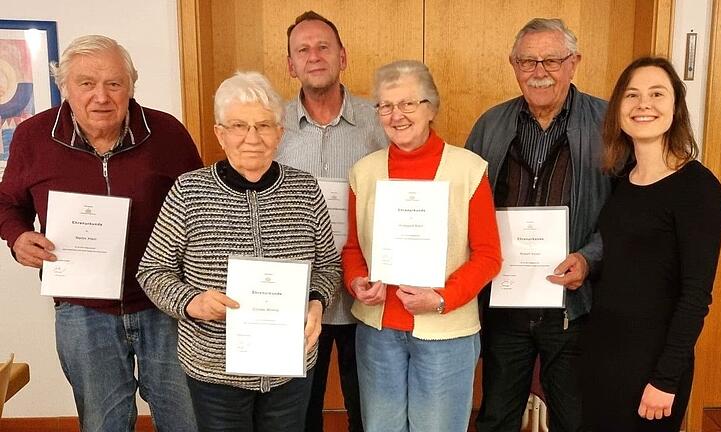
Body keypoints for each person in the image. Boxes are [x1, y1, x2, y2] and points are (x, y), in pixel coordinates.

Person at [0, 35, 200, 431]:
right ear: (65, 88)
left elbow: (200, 206)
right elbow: (7, 204)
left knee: (186, 420)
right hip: (81, 310)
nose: (101, 96)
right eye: (86, 83)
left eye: (114, 83)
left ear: (131, 86)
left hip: (163, 304)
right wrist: (18, 237)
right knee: (103, 423)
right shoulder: (34, 137)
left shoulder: (167, 133)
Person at [137, 71, 342, 432]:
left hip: (289, 365)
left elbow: (328, 266)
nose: (252, 138)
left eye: (264, 125)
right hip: (215, 368)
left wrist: (316, 300)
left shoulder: (305, 190)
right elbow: (152, 271)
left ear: (280, 133)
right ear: (220, 133)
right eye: (238, 126)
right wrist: (191, 301)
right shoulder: (189, 191)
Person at [465, 18, 612, 431]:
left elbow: (627, 214)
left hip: (574, 306)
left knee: (576, 418)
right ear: (513, 65)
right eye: (527, 61)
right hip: (505, 306)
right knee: (495, 416)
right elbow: (465, 208)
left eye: (551, 60)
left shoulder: (608, 124)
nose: (539, 71)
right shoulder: (489, 125)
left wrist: (590, 258)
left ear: (573, 63)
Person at [342, 59, 502, 432]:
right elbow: (353, 249)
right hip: (378, 332)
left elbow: (489, 256)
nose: (396, 115)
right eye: (386, 105)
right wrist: (356, 283)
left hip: (445, 333)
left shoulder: (469, 169)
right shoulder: (363, 172)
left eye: (408, 104)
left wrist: (442, 297)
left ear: (431, 107)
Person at [580, 56, 721, 431]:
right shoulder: (622, 181)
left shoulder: (698, 188)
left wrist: (666, 379)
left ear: (676, 108)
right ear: (618, 110)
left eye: (657, 94)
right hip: (602, 359)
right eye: (632, 95)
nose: (643, 104)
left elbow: (696, 295)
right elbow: (625, 268)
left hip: (653, 368)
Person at [278, 11, 387, 432]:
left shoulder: (381, 119)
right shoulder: (272, 126)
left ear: (343, 56)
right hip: (300, 296)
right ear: (291, 65)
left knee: (370, 411)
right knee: (300, 413)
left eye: (324, 47)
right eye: (302, 50)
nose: (314, 56)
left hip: (370, 292)